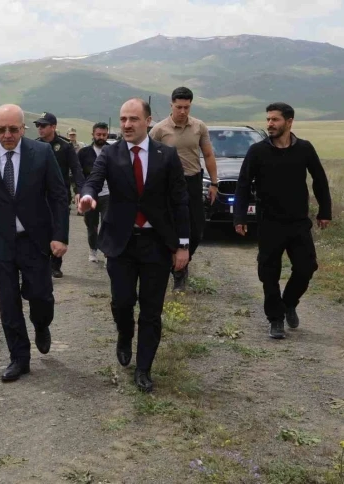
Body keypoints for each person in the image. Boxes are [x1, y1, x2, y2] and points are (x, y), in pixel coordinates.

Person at [79, 98, 190, 393]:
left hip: (157, 244)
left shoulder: (166, 155)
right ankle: (124, 335)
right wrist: (88, 195)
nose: (127, 125)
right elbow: (94, 180)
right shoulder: (110, 153)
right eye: (123, 119)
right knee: (122, 302)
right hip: (121, 243)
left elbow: (180, 201)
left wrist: (182, 244)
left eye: (133, 119)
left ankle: (144, 368)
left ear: (148, 121)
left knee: (151, 310)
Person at [0, 104, 69, 382]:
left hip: (35, 239)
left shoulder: (42, 153)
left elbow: (59, 196)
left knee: (41, 296)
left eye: (13, 129)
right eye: (1, 130)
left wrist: (60, 235)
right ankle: (19, 359)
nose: (7, 135)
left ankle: (41, 324)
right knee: (8, 301)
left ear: (22, 129)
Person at [234, 102, 331, 339]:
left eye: (275, 119)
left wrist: (325, 211)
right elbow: (243, 184)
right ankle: (275, 319)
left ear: (289, 122)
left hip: (298, 222)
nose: (270, 124)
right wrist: (240, 216)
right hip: (269, 222)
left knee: (306, 267)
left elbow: (319, 179)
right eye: (268, 119)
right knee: (269, 273)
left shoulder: (305, 149)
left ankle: (288, 303)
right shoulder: (257, 151)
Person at [149, 87, 218, 292]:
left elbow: (208, 155)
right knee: (169, 227)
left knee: (196, 230)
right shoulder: (159, 130)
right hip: (167, 184)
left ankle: (182, 262)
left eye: (186, 107)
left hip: (192, 181)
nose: (182, 111)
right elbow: (148, 158)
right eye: (178, 107)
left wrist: (214, 183)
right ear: (171, 105)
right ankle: (176, 272)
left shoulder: (199, 127)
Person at [35, 111, 84, 278]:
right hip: (39, 195)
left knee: (58, 228)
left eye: (43, 125)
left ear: (53, 127)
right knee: (41, 229)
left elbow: (76, 169)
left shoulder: (65, 146)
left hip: (59, 196)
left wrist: (79, 190)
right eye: (38, 125)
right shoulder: (34, 145)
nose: (40, 128)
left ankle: (55, 265)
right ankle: (42, 262)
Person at [77, 122, 111, 263]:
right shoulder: (84, 153)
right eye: (98, 134)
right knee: (92, 226)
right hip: (90, 195)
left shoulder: (113, 151)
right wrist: (79, 191)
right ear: (93, 135)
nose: (101, 137)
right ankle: (93, 249)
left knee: (108, 225)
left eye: (104, 135)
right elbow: (78, 173)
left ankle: (108, 253)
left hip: (108, 195)